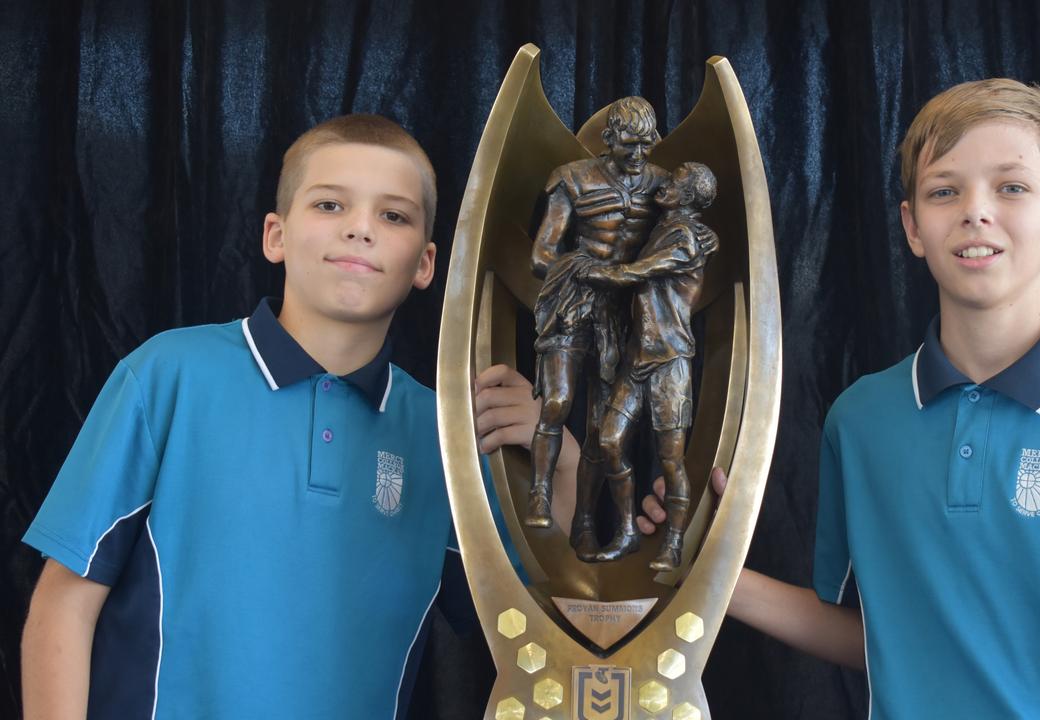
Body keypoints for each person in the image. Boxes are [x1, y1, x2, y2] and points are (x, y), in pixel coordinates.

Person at [645, 79, 1040, 717]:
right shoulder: (859, 422)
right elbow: (884, 637)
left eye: (1011, 187)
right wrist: (716, 571)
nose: (976, 211)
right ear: (913, 226)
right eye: (945, 190)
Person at [20, 114, 564, 719]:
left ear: (425, 264)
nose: (360, 229)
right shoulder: (169, 375)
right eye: (330, 205)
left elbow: (533, 621)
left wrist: (555, 460)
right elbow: (64, 603)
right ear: (275, 236)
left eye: (393, 215)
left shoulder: (444, 436)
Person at [527, 96, 670, 564]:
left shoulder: (663, 186)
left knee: (600, 429)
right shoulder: (574, 178)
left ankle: (586, 521)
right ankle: (541, 493)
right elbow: (541, 254)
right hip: (574, 301)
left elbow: (680, 237)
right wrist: (586, 270)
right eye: (627, 145)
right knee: (558, 401)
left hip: (623, 316)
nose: (637, 155)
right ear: (608, 141)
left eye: (645, 145)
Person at [583, 162, 719, 570]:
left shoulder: (690, 237)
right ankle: (626, 533)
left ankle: (674, 543)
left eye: (675, 181)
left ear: (690, 196)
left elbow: (647, 269)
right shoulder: (665, 227)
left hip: (670, 363)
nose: (667, 183)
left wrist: (605, 272)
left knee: (671, 459)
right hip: (637, 359)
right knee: (609, 441)